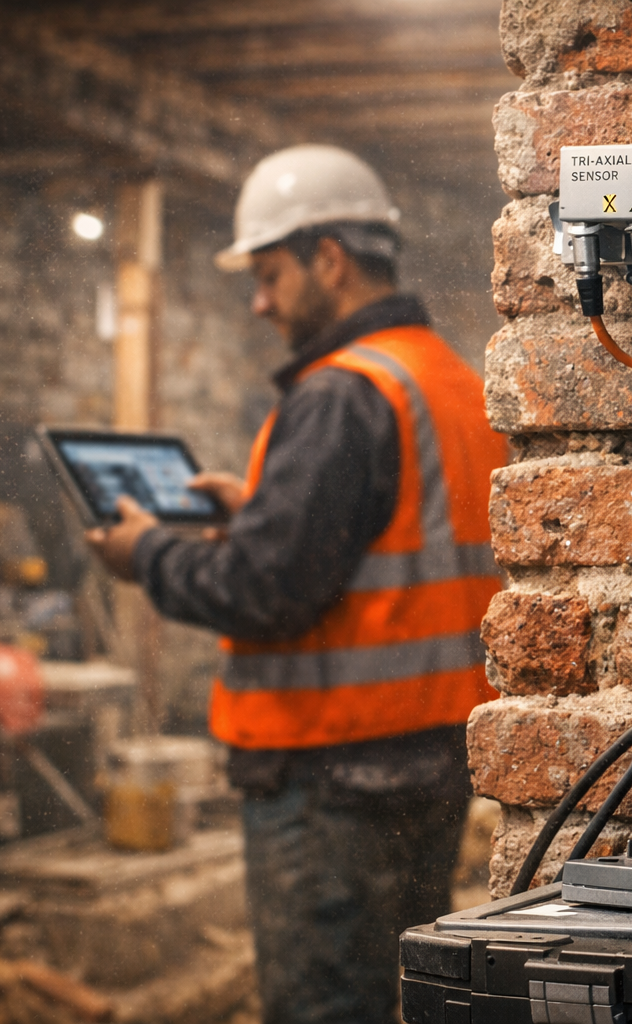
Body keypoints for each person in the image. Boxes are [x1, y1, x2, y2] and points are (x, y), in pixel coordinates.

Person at [85, 144, 504, 1023]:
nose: (260, 300)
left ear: (329, 257)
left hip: (329, 779)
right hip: (429, 768)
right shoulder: (450, 380)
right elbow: (384, 548)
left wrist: (148, 553)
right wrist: (266, 511)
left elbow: (265, 591)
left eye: (270, 272)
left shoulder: (341, 395)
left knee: (325, 1007)